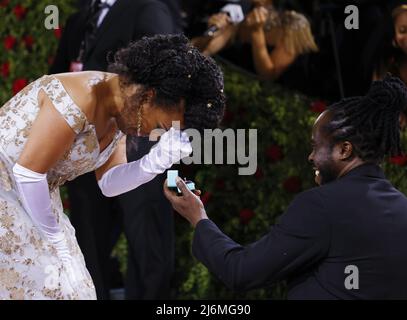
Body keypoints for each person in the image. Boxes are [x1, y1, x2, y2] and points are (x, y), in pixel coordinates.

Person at [0, 34, 225, 300]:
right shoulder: (80, 97)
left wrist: (154, 163)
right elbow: (28, 173)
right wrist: (55, 238)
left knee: (77, 291)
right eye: (163, 127)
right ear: (149, 96)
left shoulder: (124, 109)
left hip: (31, 194)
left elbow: (109, 184)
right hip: (11, 189)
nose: (155, 135)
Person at [164, 75, 407, 299]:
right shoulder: (402, 207)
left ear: (344, 150)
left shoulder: (322, 205)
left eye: (316, 146)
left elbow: (241, 271)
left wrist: (198, 217)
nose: (311, 157)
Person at [50, 0, 183, 299]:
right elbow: (57, 78)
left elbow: (163, 72)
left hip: (138, 144)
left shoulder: (148, 8)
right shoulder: (78, 19)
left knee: (146, 240)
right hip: (84, 148)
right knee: (88, 241)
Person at [192, 0, 318, 81]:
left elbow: (268, 75)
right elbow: (203, 51)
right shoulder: (240, 10)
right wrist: (209, 34)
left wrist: (257, 32)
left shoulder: (294, 24)